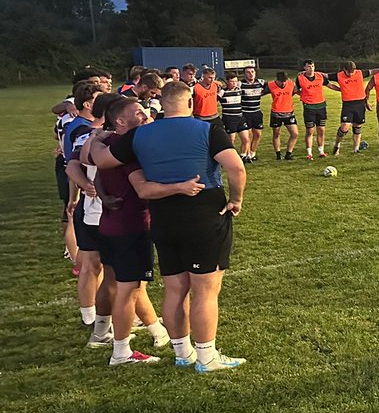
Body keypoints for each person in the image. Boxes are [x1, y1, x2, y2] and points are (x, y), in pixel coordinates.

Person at [91, 79, 247, 373]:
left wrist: (98, 137)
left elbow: (101, 160)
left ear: (161, 104)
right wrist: (236, 199)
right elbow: (235, 167)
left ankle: (182, 353)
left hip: (162, 216)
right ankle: (207, 357)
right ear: (190, 102)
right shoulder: (208, 129)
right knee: (205, 289)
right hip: (203, 213)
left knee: (175, 288)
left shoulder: (139, 134)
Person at [80, 96, 182, 365]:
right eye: (138, 112)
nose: (146, 115)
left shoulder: (109, 145)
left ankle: (101, 334)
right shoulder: (130, 149)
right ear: (121, 121)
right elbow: (143, 189)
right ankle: (121, 351)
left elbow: (96, 170)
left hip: (109, 224)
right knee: (130, 290)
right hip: (131, 227)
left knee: (112, 282)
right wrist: (180, 188)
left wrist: (103, 195)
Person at [63, 83, 106, 336]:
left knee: (96, 265)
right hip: (95, 208)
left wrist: (76, 193)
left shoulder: (79, 126)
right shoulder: (85, 130)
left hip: (88, 203)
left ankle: (95, 316)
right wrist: (84, 187)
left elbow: (71, 165)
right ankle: (92, 317)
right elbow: (73, 164)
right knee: (96, 265)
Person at [329, 60, 370, 156]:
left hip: (360, 103)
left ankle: (356, 149)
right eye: (349, 72)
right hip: (348, 104)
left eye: (353, 72)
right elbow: (324, 76)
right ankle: (337, 145)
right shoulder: (338, 75)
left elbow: (373, 71)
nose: (351, 74)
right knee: (344, 127)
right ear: (344, 70)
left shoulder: (360, 73)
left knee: (357, 126)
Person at [296, 59, 328, 160]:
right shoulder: (300, 78)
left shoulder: (320, 76)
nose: (311, 68)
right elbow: (295, 89)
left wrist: (341, 89)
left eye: (313, 66)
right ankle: (309, 153)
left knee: (321, 130)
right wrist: (303, 95)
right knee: (310, 130)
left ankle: (321, 151)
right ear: (304, 68)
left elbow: (329, 85)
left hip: (321, 106)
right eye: (309, 66)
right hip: (309, 107)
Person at [218, 71, 251, 161]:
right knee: (231, 140)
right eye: (232, 81)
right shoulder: (223, 92)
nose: (234, 83)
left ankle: (242, 156)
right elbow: (214, 100)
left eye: (236, 81)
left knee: (246, 139)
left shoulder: (239, 90)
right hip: (229, 119)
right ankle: (229, 158)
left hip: (240, 118)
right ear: (227, 82)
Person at [267, 71, 299, 160]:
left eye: (285, 81)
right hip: (276, 113)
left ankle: (289, 153)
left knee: (295, 133)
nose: (283, 83)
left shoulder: (291, 84)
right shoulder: (270, 85)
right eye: (281, 81)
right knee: (276, 134)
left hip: (289, 112)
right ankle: (278, 154)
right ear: (277, 80)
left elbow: (295, 92)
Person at [240, 66, 266, 161]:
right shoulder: (240, 84)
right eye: (248, 72)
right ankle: (244, 155)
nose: (250, 74)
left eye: (252, 72)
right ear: (244, 74)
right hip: (245, 113)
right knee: (247, 136)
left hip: (256, 112)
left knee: (257, 134)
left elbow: (274, 85)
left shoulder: (261, 83)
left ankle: (252, 153)